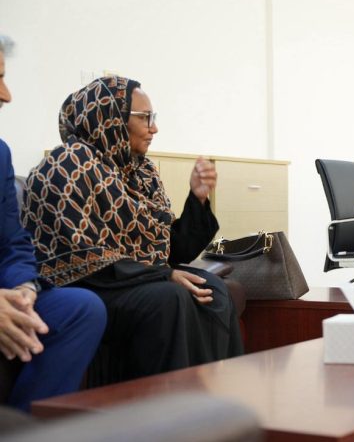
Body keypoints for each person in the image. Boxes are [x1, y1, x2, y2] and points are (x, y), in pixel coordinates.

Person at [21, 75, 243, 386]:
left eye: (154, 117)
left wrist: (198, 198)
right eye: (144, 117)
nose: (154, 128)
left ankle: (219, 394)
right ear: (109, 118)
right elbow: (79, 257)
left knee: (214, 289)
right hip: (87, 284)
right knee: (169, 297)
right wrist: (161, 275)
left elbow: (172, 250)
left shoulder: (140, 172)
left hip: (130, 278)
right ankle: (165, 405)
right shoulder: (68, 164)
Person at [0, 35, 106, 411]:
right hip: (98, 271)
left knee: (82, 308)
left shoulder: (0, 153)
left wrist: (23, 288)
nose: (7, 95)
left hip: (10, 291)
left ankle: (26, 427)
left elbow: (13, 242)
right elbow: (83, 248)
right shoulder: (66, 166)